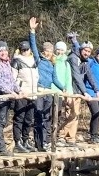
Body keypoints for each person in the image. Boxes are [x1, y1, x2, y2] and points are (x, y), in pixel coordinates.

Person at [27, 17, 65, 152]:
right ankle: (38, 143)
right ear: (44, 51)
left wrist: (63, 88)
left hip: (48, 92)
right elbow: (33, 46)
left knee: (47, 117)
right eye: (47, 50)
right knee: (38, 116)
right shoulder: (39, 59)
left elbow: (54, 78)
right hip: (39, 91)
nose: (49, 53)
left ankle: (45, 142)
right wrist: (32, 31)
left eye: (50, 51)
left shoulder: (51, 63)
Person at [12, 40, 38, 152]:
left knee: (29, 120)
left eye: (26, 49)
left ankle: (25, 140)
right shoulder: (16, 61)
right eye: (23, 50)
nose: (25, 52)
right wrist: (18, 90)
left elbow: (36, 76)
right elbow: (12, 79)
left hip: (32, 94)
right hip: (21, 94)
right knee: (19, 119)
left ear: (30, 50)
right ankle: (17, 143)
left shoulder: (34, 61)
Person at [53, 40, 76, 147]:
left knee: (62, 115)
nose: (60, 51)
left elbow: (68, 79)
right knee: (53, 115)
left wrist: (69, 93)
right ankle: (52, 136)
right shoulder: (52, 60)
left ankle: (60, 136)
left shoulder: (66, 63)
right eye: (58, 49)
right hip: (52, 92)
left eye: (62, 49)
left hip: (63, 93)